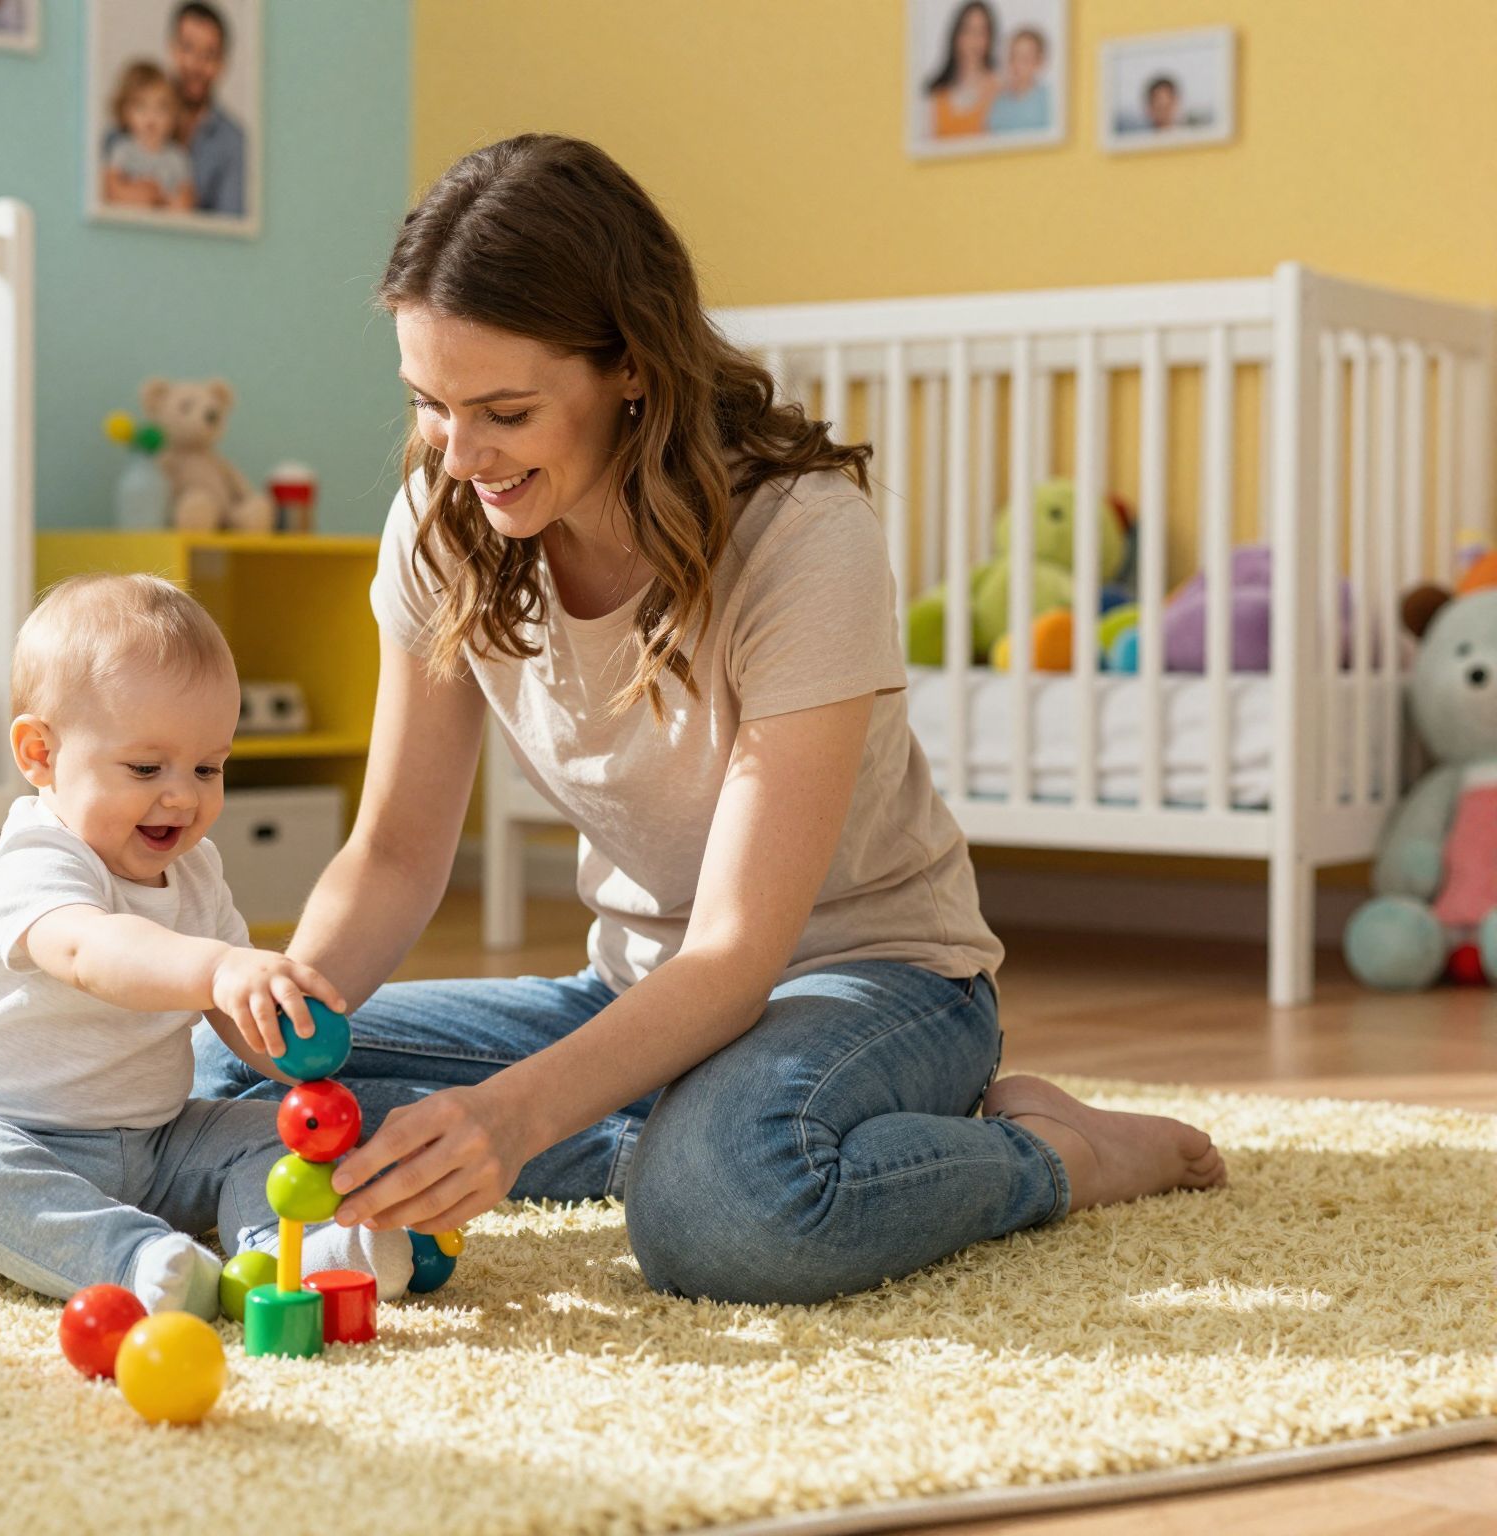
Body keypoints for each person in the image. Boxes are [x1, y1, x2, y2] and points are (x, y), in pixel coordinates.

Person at [193, 134, 1228, 1308]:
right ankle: (675, 1132)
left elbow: (738, 952)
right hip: (636, 994)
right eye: (428, 405)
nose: (458, 453)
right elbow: (390, 854)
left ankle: (1057, 1154)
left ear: (629, 365)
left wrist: (519, 1110)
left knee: (719, 1219)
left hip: (868, 983)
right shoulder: (445, 519)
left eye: (504, 410)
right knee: (219, 1080)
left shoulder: (799, 535)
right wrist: (303, 1009)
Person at [0, 574, 411, 1313]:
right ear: (40, 754)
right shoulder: (36, 858)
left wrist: (285, 1033)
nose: (184, 796)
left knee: (267, 1134)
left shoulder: (194, 869)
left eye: (208, 767)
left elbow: (238, 1025)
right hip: (5, 1134)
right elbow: (93, 954)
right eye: (145, 768)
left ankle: (303, 1254)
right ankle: (135, 1261)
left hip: (158, 1143)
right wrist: (221, 968)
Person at [167, 0, 247, 217]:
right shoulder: (134, 115)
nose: (196, 65)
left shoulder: (233, 142)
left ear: (222, 63)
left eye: (209, 54)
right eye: (188, 48)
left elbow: (230, 230)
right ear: (172, 49)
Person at [101, 61, 198, 212]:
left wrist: (163, 201)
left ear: (174, 115)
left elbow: (186, 201)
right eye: (141, 106)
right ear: (125, 112)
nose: (151, 117)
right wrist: (143, 196)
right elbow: (111, 190)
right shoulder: (123, 150)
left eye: (161, 108)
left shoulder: (177, 157)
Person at [924, 0, 998, 139]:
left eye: (982, 32)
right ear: (956, 36)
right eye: (968, 30)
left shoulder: (999, 89)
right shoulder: (936, 94)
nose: (974, 40)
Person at [986, 26, 1051, 134]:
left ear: (1039, 62)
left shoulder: (1047, 100)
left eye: (1024, 59)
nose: (1016, 65)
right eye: (1012, 57)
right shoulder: (998, 102)